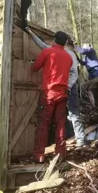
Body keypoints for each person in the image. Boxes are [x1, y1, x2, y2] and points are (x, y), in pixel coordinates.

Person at [25, 27, 86, 148]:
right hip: (61, 90)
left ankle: (80, 140)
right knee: (61, 120)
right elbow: (41, 44)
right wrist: (30, 32)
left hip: (68, 88)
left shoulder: (71, 55)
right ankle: (64, 145)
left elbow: (74, 73)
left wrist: (67, 86)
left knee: (73, 114)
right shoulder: (57, 51)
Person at [31, 31, 73, 163]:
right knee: (60, 124)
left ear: (54, 40)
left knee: (44, 124)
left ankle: (39, 155)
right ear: (65, 43)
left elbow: (35, 67)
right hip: (63, 95)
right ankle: (60, 154)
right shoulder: (69, 57)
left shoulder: (47, 52)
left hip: (49, 94)